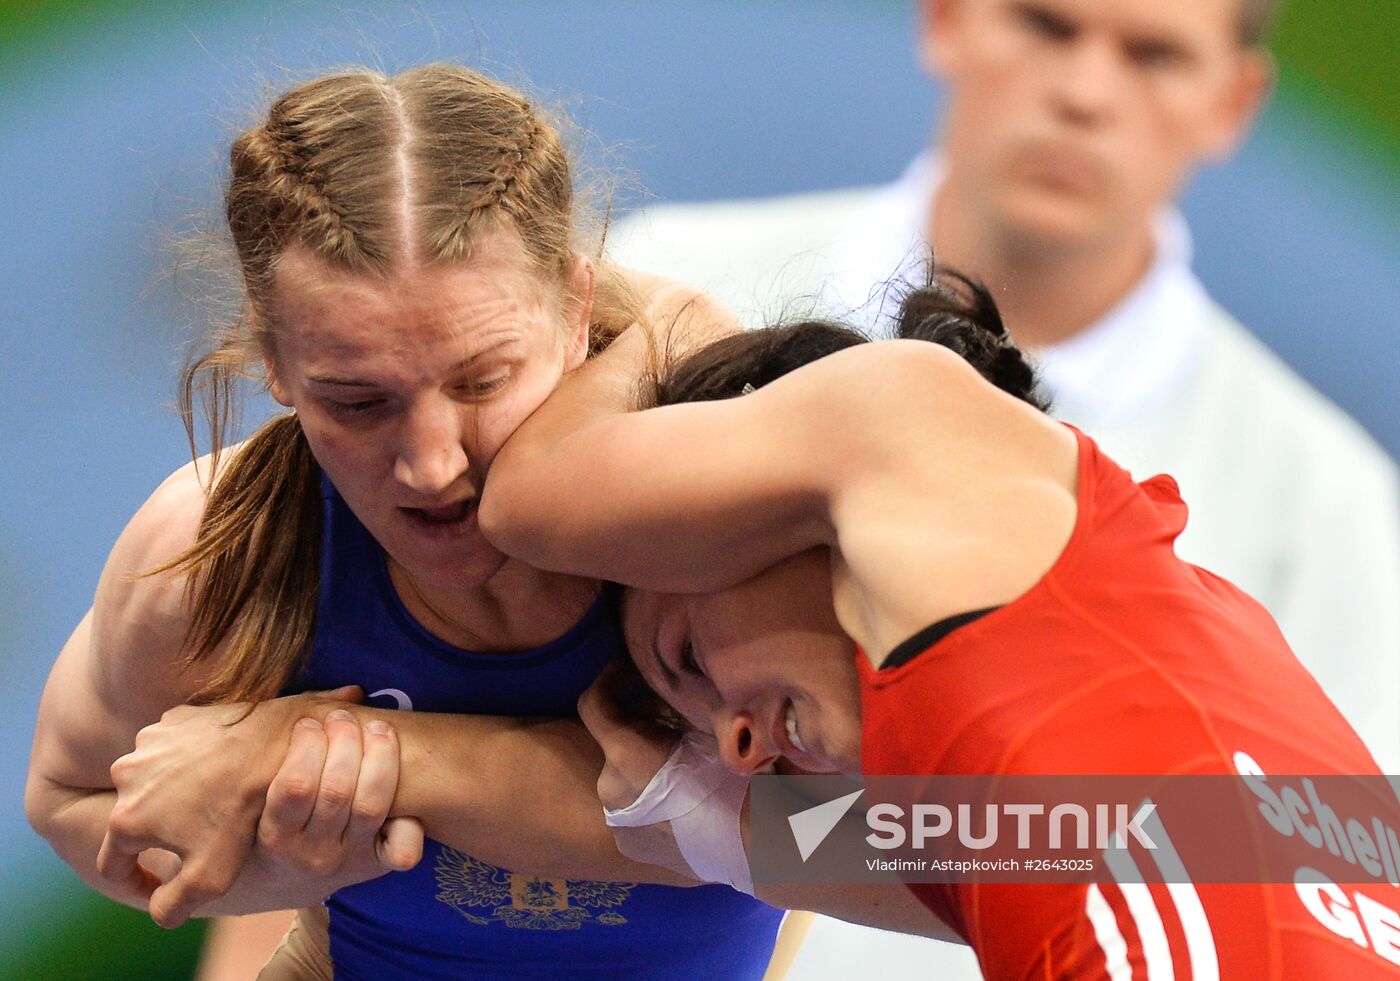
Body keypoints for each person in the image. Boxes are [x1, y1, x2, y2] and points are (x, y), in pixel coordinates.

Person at [23, 63, 798, 979]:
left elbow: (932, 844)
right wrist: (262, 862)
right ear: (273, 361)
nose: (432, 465)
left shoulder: (739, 527)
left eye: (482, 382)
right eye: (357, 401)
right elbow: (68, 799)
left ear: (577, 310)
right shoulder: (209, 555)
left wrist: (378, 758)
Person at [478, 270, 1400, 980]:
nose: (742, 741)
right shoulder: (1172, 676)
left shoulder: (907, 421)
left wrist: (648, 315)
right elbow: (832, 844)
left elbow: (526, 500)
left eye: (688, 657)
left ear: (749, 503)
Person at [607, 0, 1400, 796]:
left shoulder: (1333, 507)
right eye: (1045, 26)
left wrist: (755, 844)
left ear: (1231, 103)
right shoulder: (656, 278)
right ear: (946, 19)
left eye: (1154, 56)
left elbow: (1350, 858)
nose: (1086, 93)